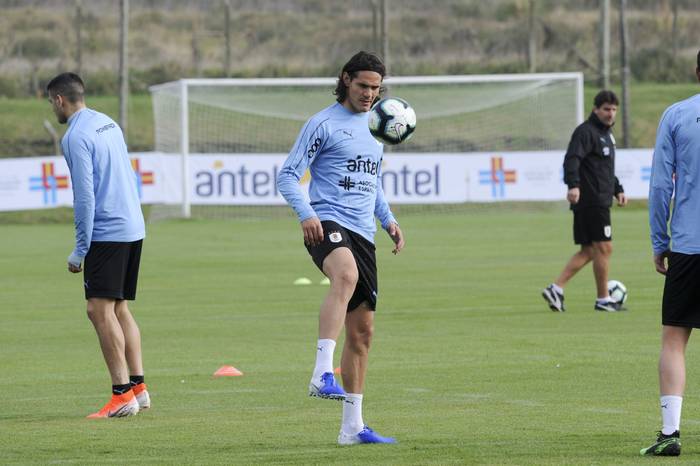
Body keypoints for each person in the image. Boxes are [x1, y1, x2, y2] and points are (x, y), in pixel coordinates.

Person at [277, 51, 403, 445]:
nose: (369, 94)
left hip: (363, 232)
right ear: (346, 80)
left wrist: (389, 220)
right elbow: (287, 175)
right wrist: (306, 214)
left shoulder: (378, 128)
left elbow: (372, 183)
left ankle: (352, 427)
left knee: (363, 333)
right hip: (327, 222)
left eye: (376, 88)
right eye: (364, 85)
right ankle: (321, 372)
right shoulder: (322, 124)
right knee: (345, 274)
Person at [47, 72, 150, 418]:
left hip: (108, 231)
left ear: (60, 100)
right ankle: (139, 387)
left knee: (98, 309)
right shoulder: (107, 122)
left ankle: (121, 396)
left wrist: (80, 249)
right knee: (119, 307)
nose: (53, 109)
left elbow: (85, 198)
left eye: (52, 103)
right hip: (133, 225)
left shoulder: (75, 137)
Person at [640, 52, 700, 457]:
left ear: (696, 71)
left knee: (675, 338)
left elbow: (662, 185)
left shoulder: (677, 115)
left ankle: (670, 434)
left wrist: (659, 241)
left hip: (689, 246)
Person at [542, 90, 627, 313]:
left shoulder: (607, 135)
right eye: (606, 109)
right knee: (605, 247)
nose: (611, 114)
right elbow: (572, 159)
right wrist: (573, 185)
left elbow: (604, 169)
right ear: (595, 109)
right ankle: (603, 299)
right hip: (591, 200)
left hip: (598, 198)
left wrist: (617, 189)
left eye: (614, 109)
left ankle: (556, 289)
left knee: (590, 250)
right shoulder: (585, 132)